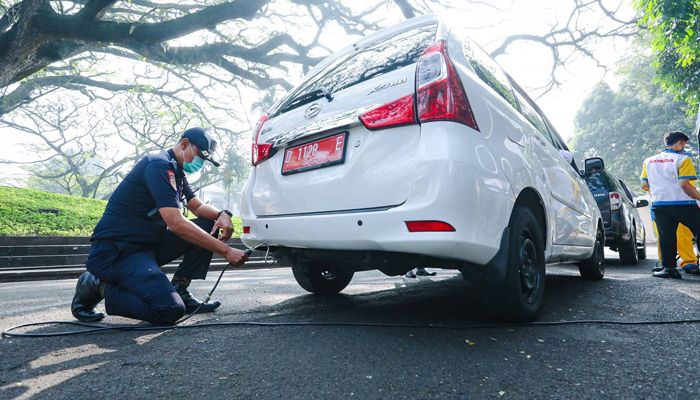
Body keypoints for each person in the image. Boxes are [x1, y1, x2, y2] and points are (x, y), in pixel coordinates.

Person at [71, 127, 249, 324]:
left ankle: (180, 288)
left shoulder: (176, 171)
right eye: (199, 155)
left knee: (209, 224)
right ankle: (97, 284)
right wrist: (226, 250)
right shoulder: (158, 165)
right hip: (118, 252)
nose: (199, 163)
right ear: (183, 144)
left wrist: (223, 214)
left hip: (146, 246)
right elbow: (175, 223)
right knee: (169, 310)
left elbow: (196, 206)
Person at [640, 131, 700, 278]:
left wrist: (661, 190)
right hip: (683, 203)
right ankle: (688, 262)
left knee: (666, 236)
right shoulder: (683, 159)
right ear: (679, 143)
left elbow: (644, 184)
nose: (684, 147)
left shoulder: (648, 161)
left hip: (660, 205)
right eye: (684, 144)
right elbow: (685, 184)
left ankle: (669, 269)